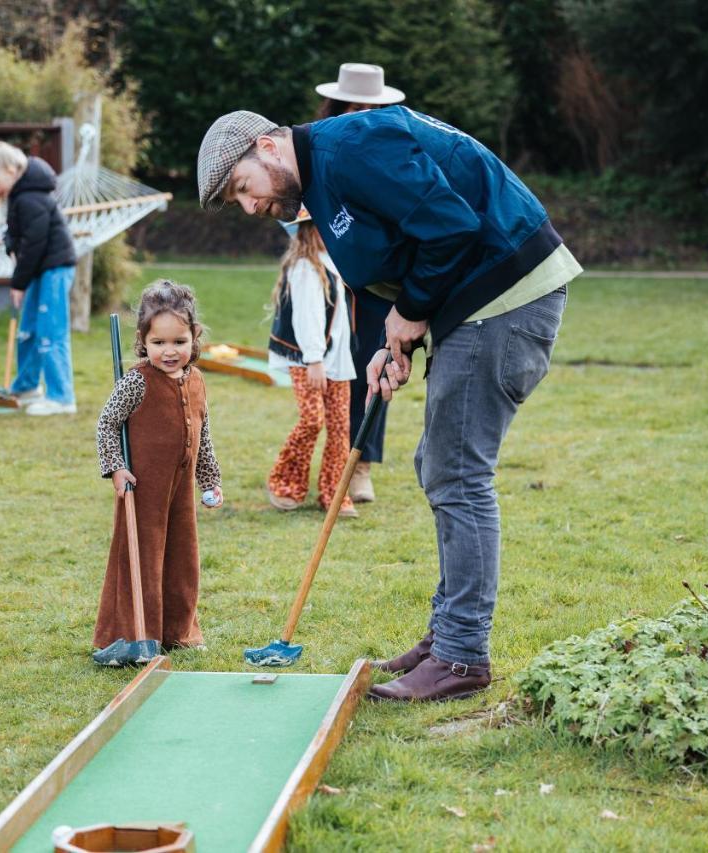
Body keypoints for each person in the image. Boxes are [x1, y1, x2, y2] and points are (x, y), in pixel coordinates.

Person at [198, 106, 582, 702]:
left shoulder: (351, 147)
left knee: (457, 473)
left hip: (505, 296)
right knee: (438, 465)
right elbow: (408, 250)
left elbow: (451, 226)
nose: (250, 208)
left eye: (243, 190)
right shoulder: (323, 178)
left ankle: (461, 657)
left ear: (267, 146)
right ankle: (446, 635)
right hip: (476, 303)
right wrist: (394, 340)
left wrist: (413, 311)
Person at [93, 280, 223, 663]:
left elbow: (204, 432)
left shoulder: (196, 380)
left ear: (194, 337)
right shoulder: (136, 382)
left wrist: (210, 479)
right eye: (159, 343)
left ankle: (178, 632)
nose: (169, 351)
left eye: (179, 342)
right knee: (142, 559)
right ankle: (134, 635)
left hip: (180, 489)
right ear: (143, 341)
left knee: (183, 557)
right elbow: (106, 424)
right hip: (142, 488)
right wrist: (115, 468)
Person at [312, 63, 406, 503]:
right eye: (356, 105)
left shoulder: (395, 150)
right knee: (329, 373)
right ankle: (332, 465)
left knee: (375, 367)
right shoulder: (317, 150)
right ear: (338, 105)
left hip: (377, 286)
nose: (363, 113)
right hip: (329, 282)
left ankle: (361, 465)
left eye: (372, 106)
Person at [266, 207, 357, 518]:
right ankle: (285, 483)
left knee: (340, 428)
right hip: (311, 360)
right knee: (312, 420)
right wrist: (315, 360)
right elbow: (308, 317)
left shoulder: (333, 262)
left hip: (337, 360)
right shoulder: (306, 267)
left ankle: (334, 492)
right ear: (309, 230)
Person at [0, 141, 77, 416]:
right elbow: (16, 231)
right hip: (38, 270)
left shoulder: (31, 197)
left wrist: (18, 282)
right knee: (29, 330)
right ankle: (26, 386)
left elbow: (35, 243)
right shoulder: (20, 196)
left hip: (54, 269)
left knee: (50, 332)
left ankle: (62, 397)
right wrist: (10, 245)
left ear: (11, 170)